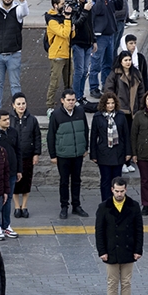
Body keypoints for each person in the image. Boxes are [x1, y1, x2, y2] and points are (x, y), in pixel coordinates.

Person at [95, 177, 143, 295]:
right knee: (112, 284)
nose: (119, 194)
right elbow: (99, 231)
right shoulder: (103, 207)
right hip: (111, 252)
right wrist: (102, 251)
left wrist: (138, 250)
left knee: (127, 283)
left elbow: (138, 230)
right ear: (112, 190)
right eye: (117, 191)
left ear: (126, 190)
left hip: (128, 251)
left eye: (122, 191)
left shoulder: (134, 206)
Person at [47, 90, 89, 219]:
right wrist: (53, 155)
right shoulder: (56, 115)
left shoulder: (81, 112)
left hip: (77, 154)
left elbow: (85, 130)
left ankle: (76, 205)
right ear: (62, 100)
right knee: (64, 182)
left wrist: (85, 147)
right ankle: (64, 206)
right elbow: (51, 136)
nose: (71, 102)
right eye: (69, 100)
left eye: (73, 100)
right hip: (63, 155)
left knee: (76, 180)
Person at [104, 51, 145, 173]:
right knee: (120, 137)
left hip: (134, 111)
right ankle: (121, 161)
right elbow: (108, 90)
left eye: (129, 60)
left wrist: (141, 106)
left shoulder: (136, 74)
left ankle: (128, 161)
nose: (128, 62)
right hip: (120, 110)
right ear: (121, 61)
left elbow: (141, 91)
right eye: (125, 60)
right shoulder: (114, 74)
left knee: (131, 137)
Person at [90, 92, 131, 202]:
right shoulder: (98, 117)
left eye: (112, 103)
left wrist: (128, 153)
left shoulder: (121, 116)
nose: (110, 106)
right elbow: (93, 137)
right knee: (105, 180)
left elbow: (126, 135)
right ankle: (106, 203)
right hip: (103, 153)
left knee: (117, 180)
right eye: (108, 103)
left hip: (118, 152)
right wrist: (93, 154)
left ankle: (117, 202)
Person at [88, 0, 120, 99]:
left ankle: (106, 85)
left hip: (110, 33)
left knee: (108, 62)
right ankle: (93, 87)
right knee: (96, 62)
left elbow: (118, 7)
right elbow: (95, 12)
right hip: (100, 36)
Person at [9, 93, 40, 218]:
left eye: (23, 103)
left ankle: (25, 206)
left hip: (28, 155)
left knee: (27, 181)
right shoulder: (9, 119)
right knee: (15, 181)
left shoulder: (32, 119)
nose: (21, 106)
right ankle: (17, 206)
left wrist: (36, 154)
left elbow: (37, 137)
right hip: (14, 157)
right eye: (18, 104)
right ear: (13, 105)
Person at [0, 110, 21, 241]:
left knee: (8, 199)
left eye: (8, 119)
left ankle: (6, 225)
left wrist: (19, 170)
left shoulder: (13, 132)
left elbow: (18, 152)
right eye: (4, 120)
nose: (7, 122)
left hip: (11, 172)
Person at [45, 0, 74, 109]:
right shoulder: (51, 20)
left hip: (67, 53)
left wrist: (71, 27)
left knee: (69, 81)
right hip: (57, 55)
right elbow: (64, 33)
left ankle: (68, 102)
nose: (64, 6)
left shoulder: (63, 17)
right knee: (55, 82)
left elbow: (71, 35)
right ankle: (50, 105)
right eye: (62, 4)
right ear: (55, 5)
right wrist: (67, 20)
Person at [68, 0, 95, 102]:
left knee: (85, 71)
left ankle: (81, 95)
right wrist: (85, 11)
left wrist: (93, 40)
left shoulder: (87, 4)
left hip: (87, 42)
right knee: (79, 71)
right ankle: (76, 96)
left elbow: (90, 24)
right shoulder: (72, 6)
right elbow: (76, 24)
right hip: (78, 42)